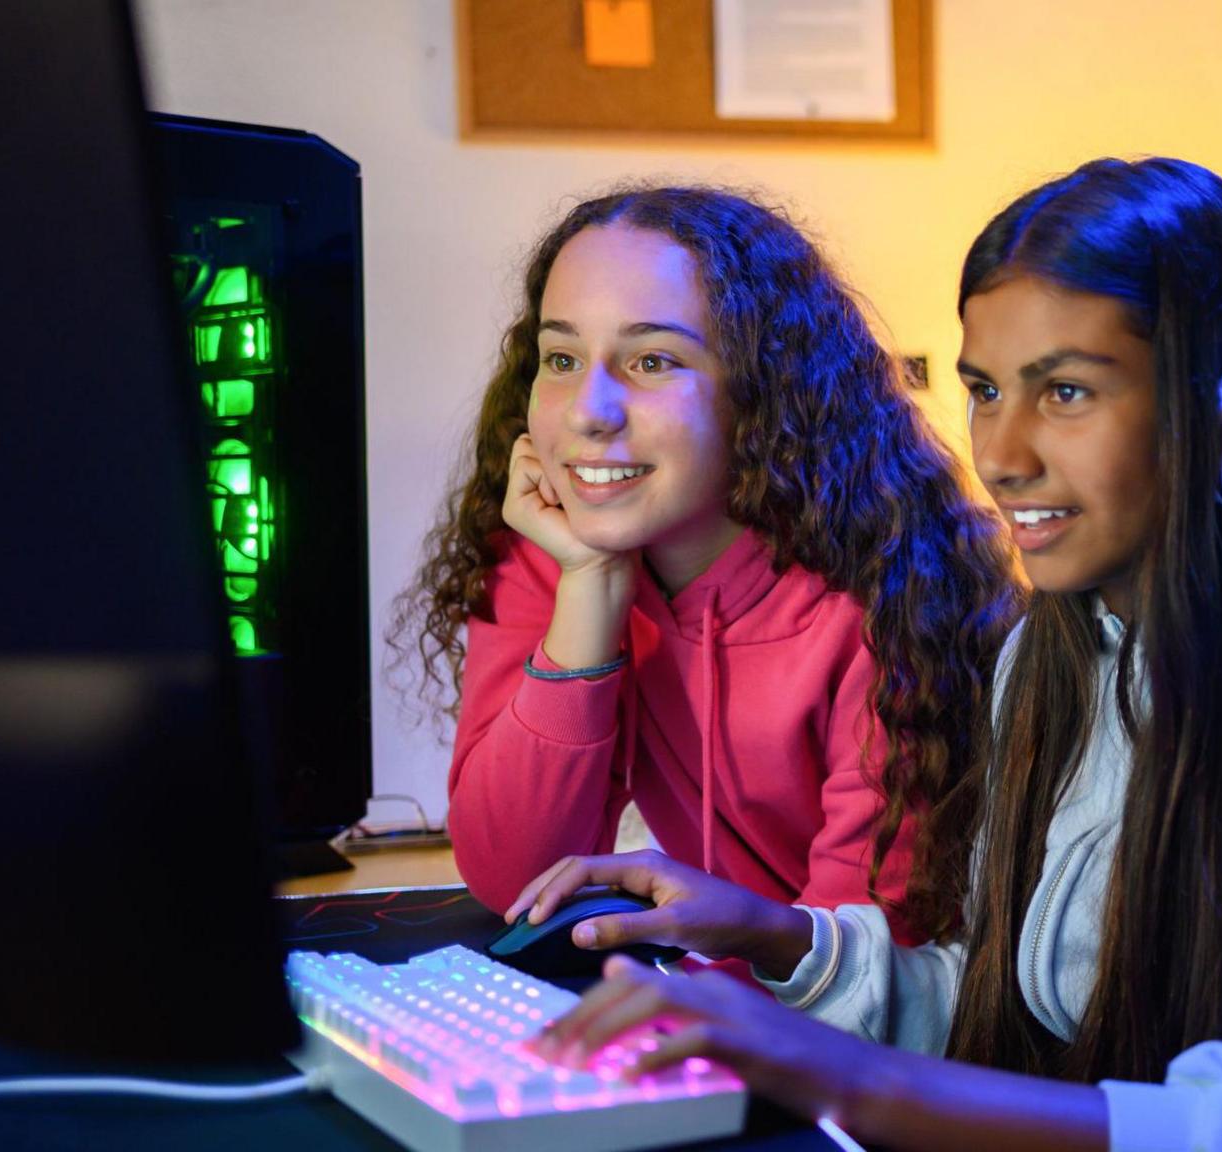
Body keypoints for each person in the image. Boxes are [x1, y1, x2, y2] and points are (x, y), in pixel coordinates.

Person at [518, 158, 1222, 1151]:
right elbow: (1020, 1000)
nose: (1000, 454)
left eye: (1066, 393)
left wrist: (849, 1076)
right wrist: (774, 935)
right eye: (985, 391)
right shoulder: (1056, 652)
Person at [392, 186, 1019, 940]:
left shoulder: (889, 599)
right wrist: (588, 591)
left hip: (881, 1035)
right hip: (726, 1006)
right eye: (561, 357)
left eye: (652, 360)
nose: (590, 410)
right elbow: (513, 881)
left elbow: (872, 970)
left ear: (761, 390)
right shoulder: (556, 554)